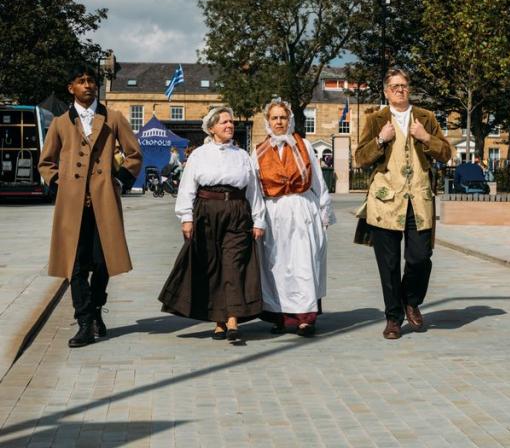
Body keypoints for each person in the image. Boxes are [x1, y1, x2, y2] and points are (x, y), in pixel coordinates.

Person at [38, 64, 142, 348]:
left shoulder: (114, 118)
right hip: (71, 205)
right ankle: (85, 321)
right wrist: (58, 184)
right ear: (71, 88)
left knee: (104, 260)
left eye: (91, 81)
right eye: (81, 81)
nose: (87, 85)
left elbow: (134, 154)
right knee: (75, 263)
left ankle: (96, 308)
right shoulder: (60, 123)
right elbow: (45, 162)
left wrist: (119, 180)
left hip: (104, 201)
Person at [355, 68, 452, 340]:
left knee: (420, 258)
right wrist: (380, 140)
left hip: (418, 200)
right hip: (385, 201)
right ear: (386, 91)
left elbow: (446, 153)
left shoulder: (426, 118)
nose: (400, 90)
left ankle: (411, 300)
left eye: (404, 85)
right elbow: (360, 158)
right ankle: (393, 318)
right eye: (395, 86)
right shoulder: (376, 119)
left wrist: (425, 138)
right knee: (388, 264)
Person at [158, 106, 265, 340]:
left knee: (234, 264)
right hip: (206, 211)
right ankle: (219, 320)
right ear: (212, 128)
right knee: (213, 264)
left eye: (231, 122)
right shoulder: (199, 155)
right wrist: (186, 218)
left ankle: (233, 320)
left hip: (237, 211)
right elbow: (187, 188)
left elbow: (253, 191)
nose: (230, 126)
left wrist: (259, 219)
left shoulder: (242, 156)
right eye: (224, 122)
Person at [252, 99, 335, 337]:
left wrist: (323, 211)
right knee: (276, 265)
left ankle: (305, 317)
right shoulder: (259, 151)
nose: (279, 122)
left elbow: (318, 181)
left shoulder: (304, 146)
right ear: (268, 122)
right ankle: (280, 315)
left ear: (290, 120)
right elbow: (255, 188)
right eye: (274, 118)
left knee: (303, 263)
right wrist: (257, 217)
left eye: (283, 118)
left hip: (301, 209)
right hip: (274, 212)